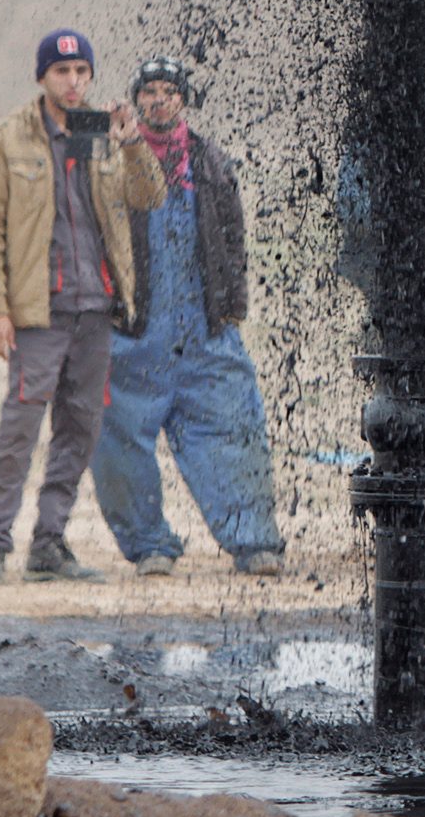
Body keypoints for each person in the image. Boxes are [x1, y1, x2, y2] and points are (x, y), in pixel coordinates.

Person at [0, 29, 163, 586]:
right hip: (38, 311)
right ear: (42, 78)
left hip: (95, 308)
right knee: (19, 430)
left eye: (82, 73)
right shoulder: (8, 139)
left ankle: (49, 545)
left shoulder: (99, 132)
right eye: (62, 73)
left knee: (80, 428)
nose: (74, 83)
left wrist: (131, 143)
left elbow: (149, 197)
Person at [90, 57, 285, 578]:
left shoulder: (212, 163)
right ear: (135, 102)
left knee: (232, 427)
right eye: (148, 91)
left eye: (168, 91)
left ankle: (254, 542)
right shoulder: (109, 161)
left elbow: (233, 241)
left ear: (184, 99)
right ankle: (149, 545)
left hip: (204, 330)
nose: (159, 99)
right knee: (116, 437)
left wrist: (229, 307)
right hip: (133, 332)